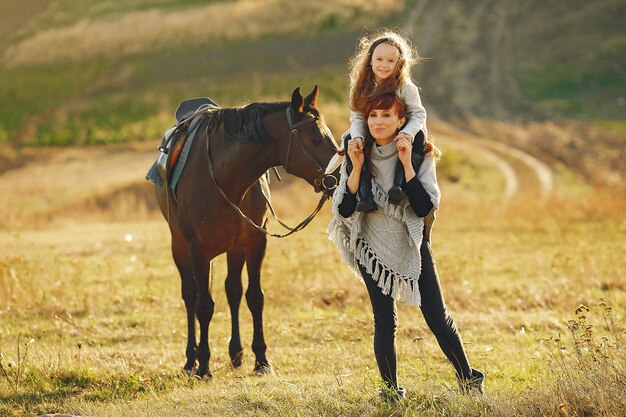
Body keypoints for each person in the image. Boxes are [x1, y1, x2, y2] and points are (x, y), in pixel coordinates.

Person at [327, 93, 484, 402]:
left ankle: (468, 378)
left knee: (437, 317)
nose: (378, 122)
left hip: (412, 243)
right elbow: (345, 210)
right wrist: (357, 168)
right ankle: (390, 391)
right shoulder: (357, 151)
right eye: (372, 116)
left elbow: (424, 206)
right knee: (384, 322)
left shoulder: (419, 152)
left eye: (386, 116)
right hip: (371, 244)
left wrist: (405, 164)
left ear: (401, 121)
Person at [346, 29, 427, 213]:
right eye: (379, 59)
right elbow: (357, 116)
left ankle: (399, 184)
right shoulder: (360, 87)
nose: (384, 65)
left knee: (419, 137)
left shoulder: (405, 87)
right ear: (370, 61)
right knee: (348, 139)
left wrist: (407, 133)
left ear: (399, 64)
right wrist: (358, 136)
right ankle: (364, 193)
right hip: (373, 129)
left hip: (400, 131)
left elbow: (418, 114)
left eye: (391, 61)